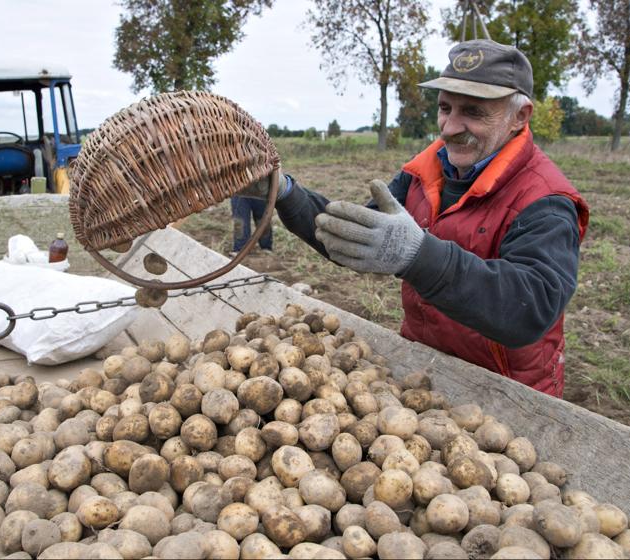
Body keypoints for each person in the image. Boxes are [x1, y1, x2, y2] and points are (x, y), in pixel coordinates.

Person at [241, 39, 589, 397]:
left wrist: (418, 256)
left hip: (507, 391)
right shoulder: (423, 172)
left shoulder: (545, 199)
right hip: (423, 371)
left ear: (520, 116)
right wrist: (284, 193)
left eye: (473, 112)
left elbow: (530, 309)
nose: (450, 127)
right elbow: (354, 235)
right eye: (444, 107)